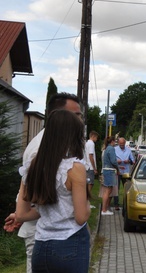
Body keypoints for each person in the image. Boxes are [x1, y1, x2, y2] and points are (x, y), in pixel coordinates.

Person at [3, 92, 82, 273]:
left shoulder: (58, 143)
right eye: (76, 115)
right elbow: (37, 191)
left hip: (50, 228)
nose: (81, 120)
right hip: (43, 229)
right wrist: (23, 213)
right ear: (58, 115)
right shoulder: (42, 148)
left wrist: (21, 214)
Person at [15, 109, 91, 273]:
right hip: (71, 242)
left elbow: (21, 214)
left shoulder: (31, 166)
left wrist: (46, 211)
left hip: (41, 246)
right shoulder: (74, 168)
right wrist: (87, 201)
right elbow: (81, 217)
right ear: (72, 136)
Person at [114, 137, 134, 209]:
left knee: (127, 189)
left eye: (123, 144)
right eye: (120, 144)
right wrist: (117, 161)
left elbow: (133, 161)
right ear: (118, 143)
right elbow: (112, 160)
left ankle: (126, 204)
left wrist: (128, 161)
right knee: (116, 188)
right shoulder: (115, 149)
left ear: (125, 143)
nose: (122, 145)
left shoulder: (128, 150)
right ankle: (116, 204)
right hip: (117, 171)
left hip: (126, 172)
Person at [101, 136, 118, 215]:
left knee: (107, 190)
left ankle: (104, 209)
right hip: (110, 170)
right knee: (108, 191)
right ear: (112, 141)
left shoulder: (107, 148)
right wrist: (117, 168)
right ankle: (104, 210)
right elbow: (113, 161)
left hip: (106, 170)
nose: (115, 143)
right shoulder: (111, 148)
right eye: (115, 141)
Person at [85, 131, 99, 197]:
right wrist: (94, 168)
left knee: (88, 182)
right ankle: (87, 197)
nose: (96, 139)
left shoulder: (86, 143)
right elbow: (91, 156)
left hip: (86, 166)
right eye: (96, 137)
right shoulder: (91, 144)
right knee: (90, 183)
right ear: (93, 136)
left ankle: (86, 196)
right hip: (90, 166)